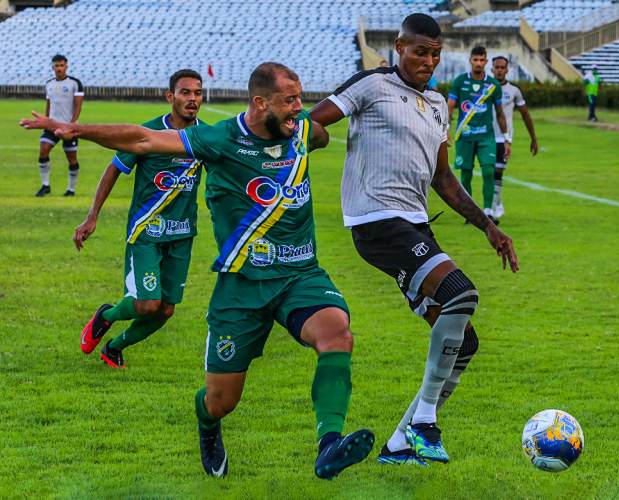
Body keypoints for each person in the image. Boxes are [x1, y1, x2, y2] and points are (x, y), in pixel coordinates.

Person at [20, 62, 374, 480]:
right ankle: (208, 425)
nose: (300, 108)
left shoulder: (301, 128)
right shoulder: (219, 139)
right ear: (261, 103)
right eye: (290, 101)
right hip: (241, 287)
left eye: (301, 98)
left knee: (337, 335)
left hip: (300, 274)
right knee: (220, 401)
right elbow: (144, 138)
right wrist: (79, 130)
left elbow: (321, 132)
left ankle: (328, 443)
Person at [309, 14, 519, 466]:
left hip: (414, 225)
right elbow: (312, 124)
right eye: (420, 51)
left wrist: (489, 226)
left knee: (463, 341)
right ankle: (424, 422)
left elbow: (444, 179)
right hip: (376, 221)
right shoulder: (371, 85)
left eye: (435, 52)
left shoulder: (440, 103)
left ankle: (400, 445)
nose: (428, 60)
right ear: (399, 47)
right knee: (460, 293)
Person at [74, 69, 204, 369]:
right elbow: (113, 169)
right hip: (147, 232)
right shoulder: (148, 133)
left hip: (183, 233)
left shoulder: (204, 136)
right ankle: (106, 316)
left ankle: (114, 347)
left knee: (165, 310)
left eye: (197, 93)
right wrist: (91, 217)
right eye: (185, 92)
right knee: (147, 304)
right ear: (170, 96)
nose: (193, 99)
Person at [446, 46, 511, 225]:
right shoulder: (460, 81)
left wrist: (506, 138)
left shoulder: (493, 85)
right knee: (465, 175)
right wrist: (445, 128)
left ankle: (488, 213)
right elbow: (450, 106)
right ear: (470, 61)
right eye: (475, 60)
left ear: (486, 62)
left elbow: (499, 113)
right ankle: (470, 213)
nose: (478, 63)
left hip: (486, 136)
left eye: (482, 60)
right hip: (464, 135)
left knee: (489, 171)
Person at [490, 56, 538, 218]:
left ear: (507, 70)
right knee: (489, 172)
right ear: (492, 69)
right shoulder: (486, 87)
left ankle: (492, 208)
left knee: (497, 171)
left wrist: (533, 139)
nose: (499, 70)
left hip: (504, 138)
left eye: (502, 68)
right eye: (497, 67)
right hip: (486, 136)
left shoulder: (514, 90)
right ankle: (499, 205)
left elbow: (525, 115)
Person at [37, 54, 84, 197]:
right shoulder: (49, 84)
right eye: (56, 66)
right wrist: (46, 121)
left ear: (66, 67)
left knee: (71, 157)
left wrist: (72, 124)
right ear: (53, 67)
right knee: (43, 150)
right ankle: (45, 186)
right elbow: (49, 105)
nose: (59, 68)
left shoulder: (74, 83)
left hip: (68, 127)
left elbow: (78, 105)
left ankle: (71, 190)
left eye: (62, 65)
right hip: (52, 125)